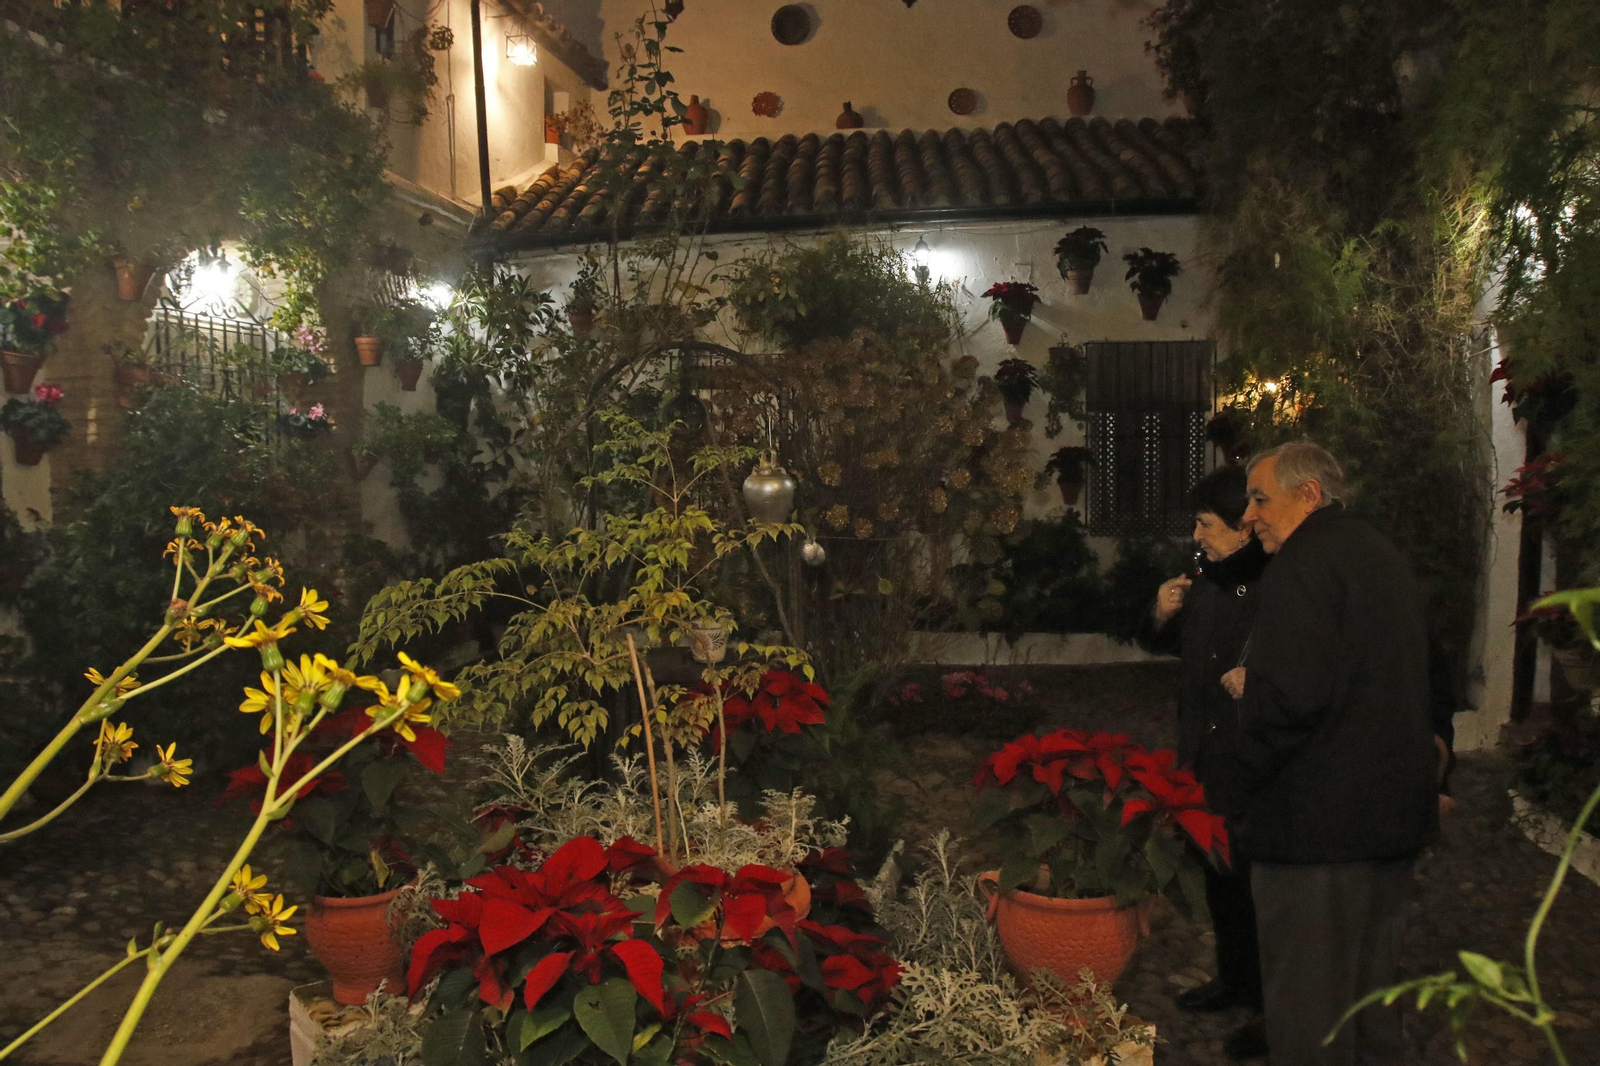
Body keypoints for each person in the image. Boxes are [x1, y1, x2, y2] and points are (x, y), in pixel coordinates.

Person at [1226, 441, 1439, 1066]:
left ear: (1309, 494)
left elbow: (1290, 699)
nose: (1248, 516)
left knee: (1309, 1015)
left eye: (1260, 499)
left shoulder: (1302, 566)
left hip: (1316, 831)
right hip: (1389, 821)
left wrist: (1244, 768)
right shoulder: (1379, 553)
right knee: (1370, 1004)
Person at [1136, 465, 1270, 1062]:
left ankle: (1273, 1004)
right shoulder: (1210, 581)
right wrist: (1162, 615)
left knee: (1259, 885)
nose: (1197, 536)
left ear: (1244, 527)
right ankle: (1235, 978)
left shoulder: (1277, 584)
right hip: (1204, 755)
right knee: (1220, 875)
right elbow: (1168, 645)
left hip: (1252, 759)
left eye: (1206, 524)